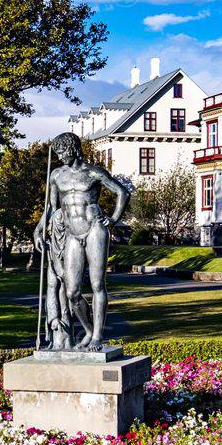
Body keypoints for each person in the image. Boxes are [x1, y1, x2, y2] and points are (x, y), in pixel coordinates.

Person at [34, 133, 130, 351]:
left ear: (73, 149)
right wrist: (39, 228)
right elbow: (51, 208)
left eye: (62, 151)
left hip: (95, 228)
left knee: (97, 284)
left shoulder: (94, 172)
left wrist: (113, 218)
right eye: (56, 152)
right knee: (72, 291)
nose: (59, 156)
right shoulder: (57, 175)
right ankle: (87, 330)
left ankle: (97, 336)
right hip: (71, 234)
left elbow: (122, 192)